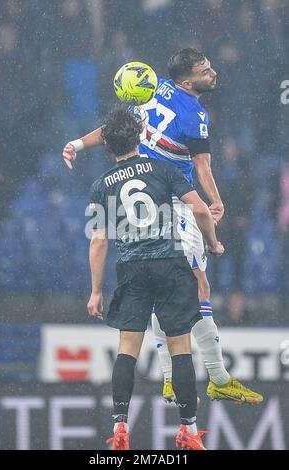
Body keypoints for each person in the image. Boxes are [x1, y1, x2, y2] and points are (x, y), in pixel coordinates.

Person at [62, 47, 263, 405]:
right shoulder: (195, 116)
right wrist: (216, 201)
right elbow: (202, 168)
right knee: (195, 284)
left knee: (165, 286)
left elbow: (115, 129)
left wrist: (78, 143)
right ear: (188, 80)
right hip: (172, 198)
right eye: (205, 70)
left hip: (143, 200)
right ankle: (215, 377)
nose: (213, 72)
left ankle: (174, 380)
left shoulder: (154, 89)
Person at [87, 105, 223, 450]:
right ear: (141, 137)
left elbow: (100, 241)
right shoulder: (162, 169)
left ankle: (120, 427)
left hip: (132, 269)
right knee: (180, 349)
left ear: (106, 145)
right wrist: (212, 242)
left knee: (127, 350)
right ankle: (189, 432)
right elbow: (199, 208)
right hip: (170, 265)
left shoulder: (102, 185)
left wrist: (95, 291)